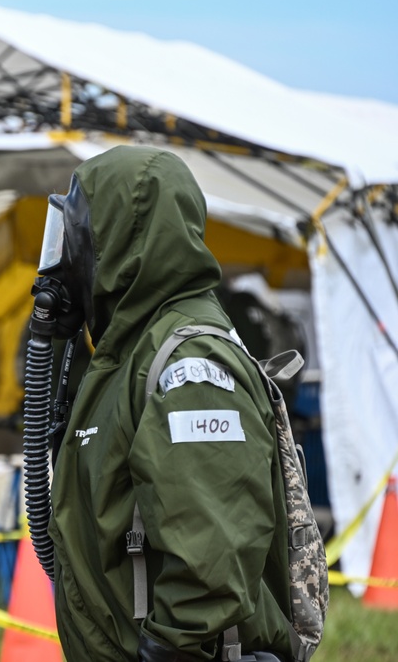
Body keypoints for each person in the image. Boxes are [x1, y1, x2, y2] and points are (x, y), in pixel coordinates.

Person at [37, 147, 320, 661]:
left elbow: (211, 550)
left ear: (120, 239)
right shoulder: (127, 355)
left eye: (74, 239)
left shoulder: (187, 363)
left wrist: (168, 652)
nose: (63, 260)